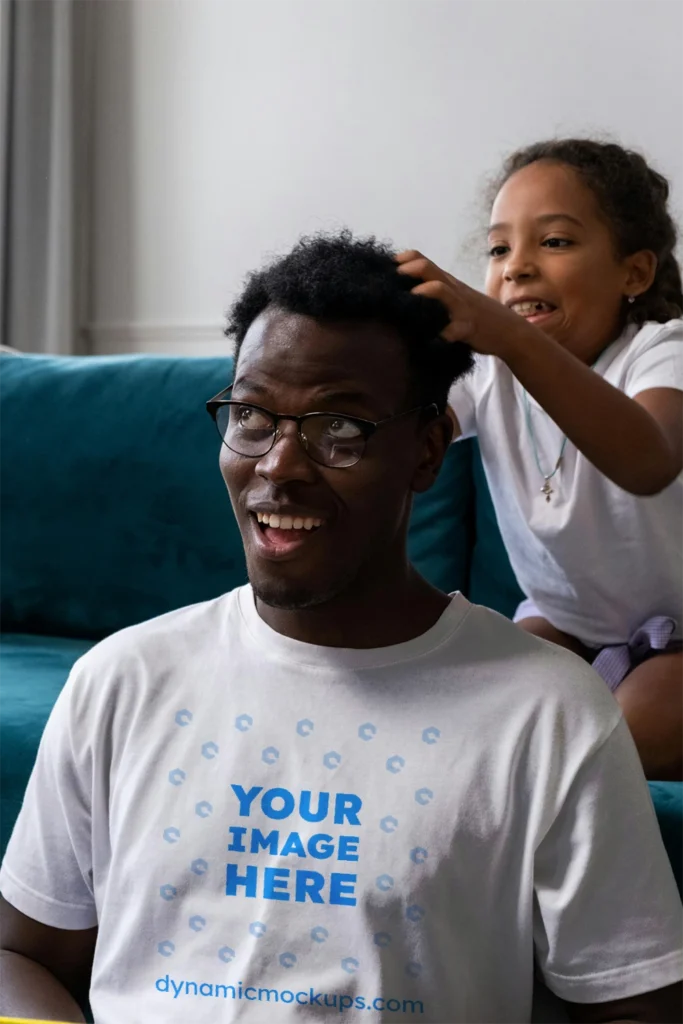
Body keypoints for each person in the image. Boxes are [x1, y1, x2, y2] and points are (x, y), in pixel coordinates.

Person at [1, 232, 683, 1023]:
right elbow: (21, 953)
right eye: (252, 415)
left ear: (427, 450)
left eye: (339, 428)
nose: (280, 464)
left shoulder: (546, 713)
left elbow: (637, 1009)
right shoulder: (121, 680)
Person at [397, 139, 683, 782]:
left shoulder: (663, 352)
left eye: (553, 242)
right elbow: (412, 432)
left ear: (633, 274)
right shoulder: (488, 371)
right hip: (567, 623)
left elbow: (650, 460)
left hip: (681, 639)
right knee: (470, 717)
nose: (516, 266)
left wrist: (510, 338)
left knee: (624, 740)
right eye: (499, 249)